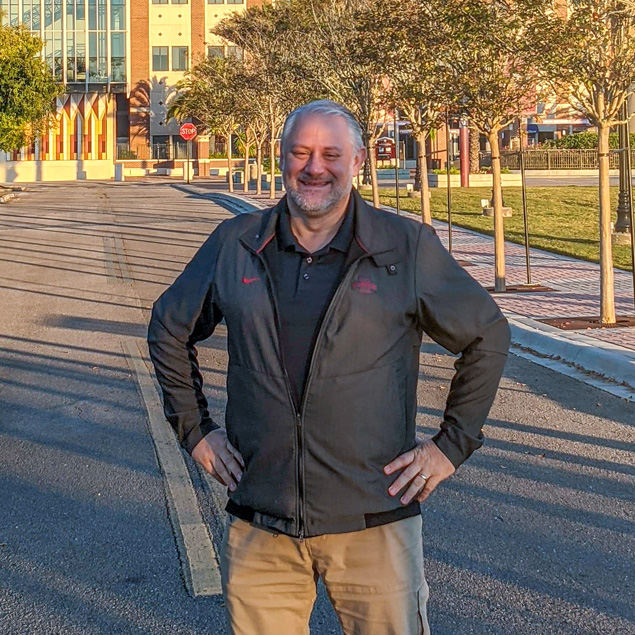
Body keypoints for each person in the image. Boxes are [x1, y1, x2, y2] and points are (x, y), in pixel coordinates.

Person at [148, 99, 510, 635]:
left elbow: (487, 334)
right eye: (301, 152)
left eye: (330, 154)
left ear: (357, 161)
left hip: (374, 524)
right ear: (282, 157)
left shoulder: (403, 247)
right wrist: (196, 432)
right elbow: (169, 328)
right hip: (261, 521)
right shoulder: (236, 243)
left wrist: (449, 448)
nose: (315, 166)